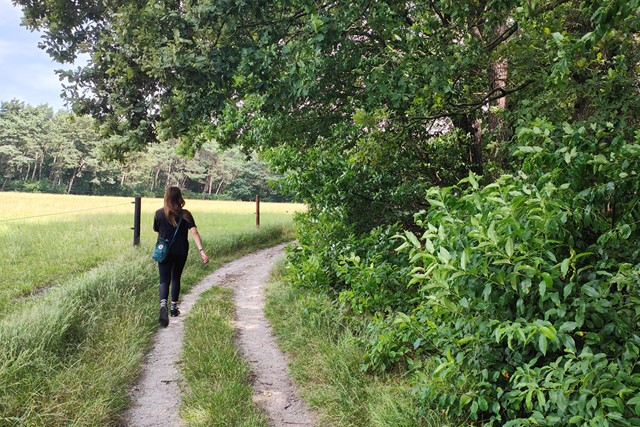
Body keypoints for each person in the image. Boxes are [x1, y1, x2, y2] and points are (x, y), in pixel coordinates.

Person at [153, 186, 209, 327]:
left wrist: (159, 249)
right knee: (176, 277)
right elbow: (194, 232)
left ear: (166, 197)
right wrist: (201, 250)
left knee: (164, 280)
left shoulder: (159, 213)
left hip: (164, 251)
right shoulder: (186, 214)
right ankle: (173, 308)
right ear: (179, 197)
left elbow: (158, 233)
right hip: (181, 251)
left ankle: (163, 304)